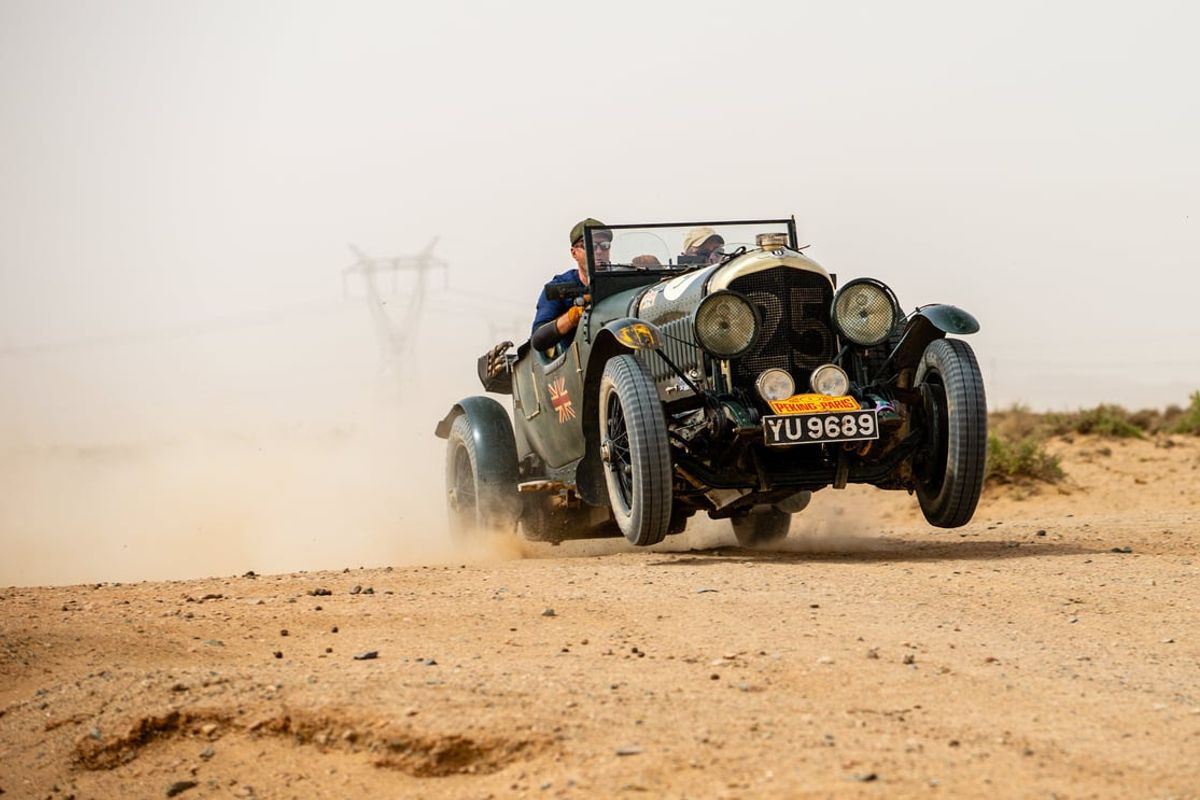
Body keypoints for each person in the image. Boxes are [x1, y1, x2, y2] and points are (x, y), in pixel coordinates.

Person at [530, 218, 611, 352]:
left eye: (604, 245)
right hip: (579, 366)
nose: (598, 251)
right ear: (574, 253)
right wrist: (573, 316)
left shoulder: (625, 279)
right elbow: (539, 339)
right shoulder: (560, 287)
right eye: (589, 245)